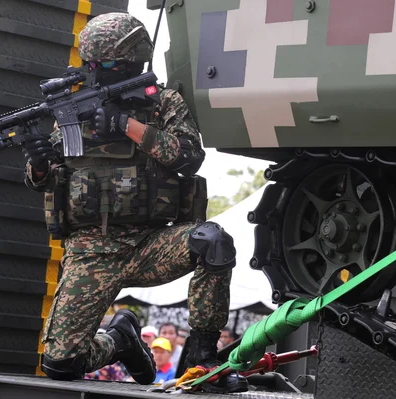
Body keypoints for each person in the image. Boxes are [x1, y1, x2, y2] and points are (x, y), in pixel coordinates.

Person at [22, 12, 248, 393]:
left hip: (150, 245)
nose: (97, 71)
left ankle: (205, 360)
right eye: (92, 64)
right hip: (92, 251)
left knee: (213, 241)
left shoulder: (162, 103)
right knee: (60, 364)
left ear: (133, 62)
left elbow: (190, 156)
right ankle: (121, 340)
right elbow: (44, 179)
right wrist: (40, 165)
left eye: (106, 64)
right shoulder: (73, 112)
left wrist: (129, 126)